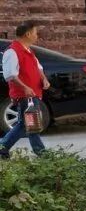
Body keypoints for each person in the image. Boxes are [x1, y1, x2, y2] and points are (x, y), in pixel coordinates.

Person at [0, 21, 50, 159]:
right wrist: (25, 87)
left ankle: (2, 147)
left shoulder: (29, 51)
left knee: (25, 124)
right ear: (27, 34)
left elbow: (38, 68)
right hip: (24, 95)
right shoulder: (12, 51)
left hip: (33, 93)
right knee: (31, 123)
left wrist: (44, 79)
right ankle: (41, 152)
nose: (36, 36)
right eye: (35, 33)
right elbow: (10, 74)